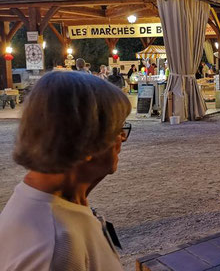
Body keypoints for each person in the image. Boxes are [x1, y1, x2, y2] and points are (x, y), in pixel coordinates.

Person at [0, 71, 131, 270]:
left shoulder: (49, 207)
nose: (122, 139)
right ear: (86, 142)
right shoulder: (56, 248)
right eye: (118, 130)